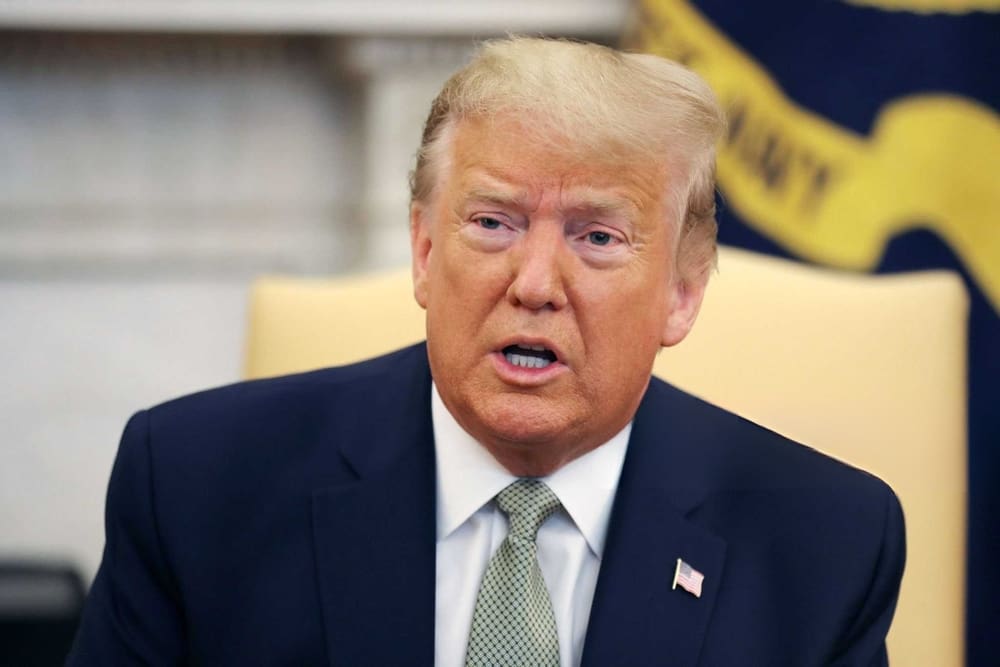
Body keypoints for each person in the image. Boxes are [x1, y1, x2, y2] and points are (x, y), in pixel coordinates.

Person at [68, 37, 904, 666]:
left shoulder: (823, 545)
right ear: (425, 251)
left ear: (682, 293)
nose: (534, 282)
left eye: (598, 235)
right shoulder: (192, 485)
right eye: (494, 222)